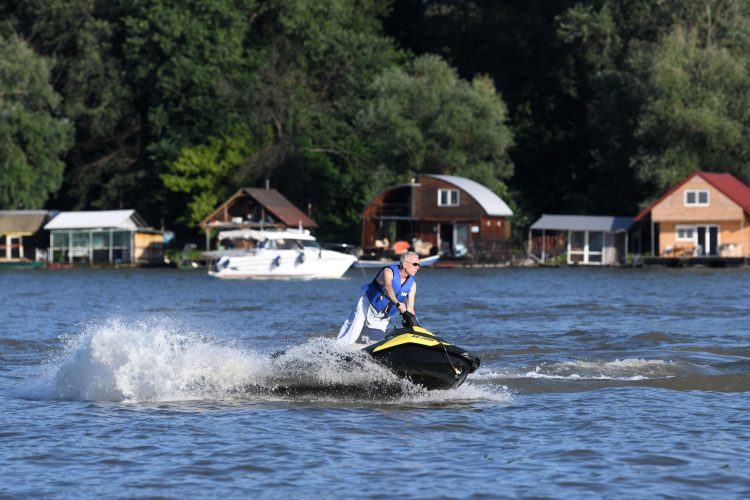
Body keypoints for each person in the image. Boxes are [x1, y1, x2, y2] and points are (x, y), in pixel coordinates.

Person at [336, 251, 420, 344]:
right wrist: (397, 303)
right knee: (350, 337)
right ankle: (333, 352)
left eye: (418, 265)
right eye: (415, 264)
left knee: (374, 345)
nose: (418, 267)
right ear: (404, 264)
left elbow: (410, 308)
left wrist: (415, 327)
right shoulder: (388, 271)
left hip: (382, 317)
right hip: (367, 307)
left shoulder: (412, 284)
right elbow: (388, 287)